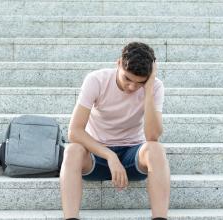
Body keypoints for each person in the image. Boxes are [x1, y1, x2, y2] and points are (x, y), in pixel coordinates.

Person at [59, 42, 170, 220]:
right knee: (72, 150)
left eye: (139, 83)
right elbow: (74, 132)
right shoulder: (96, 80)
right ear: (118, 63)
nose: (132, 87)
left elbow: (152, 136)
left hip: (132, 155)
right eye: (127, 79)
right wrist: (110, 156)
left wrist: (148, 91)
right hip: (96, 155)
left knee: (156, 149)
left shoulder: (155, 87)